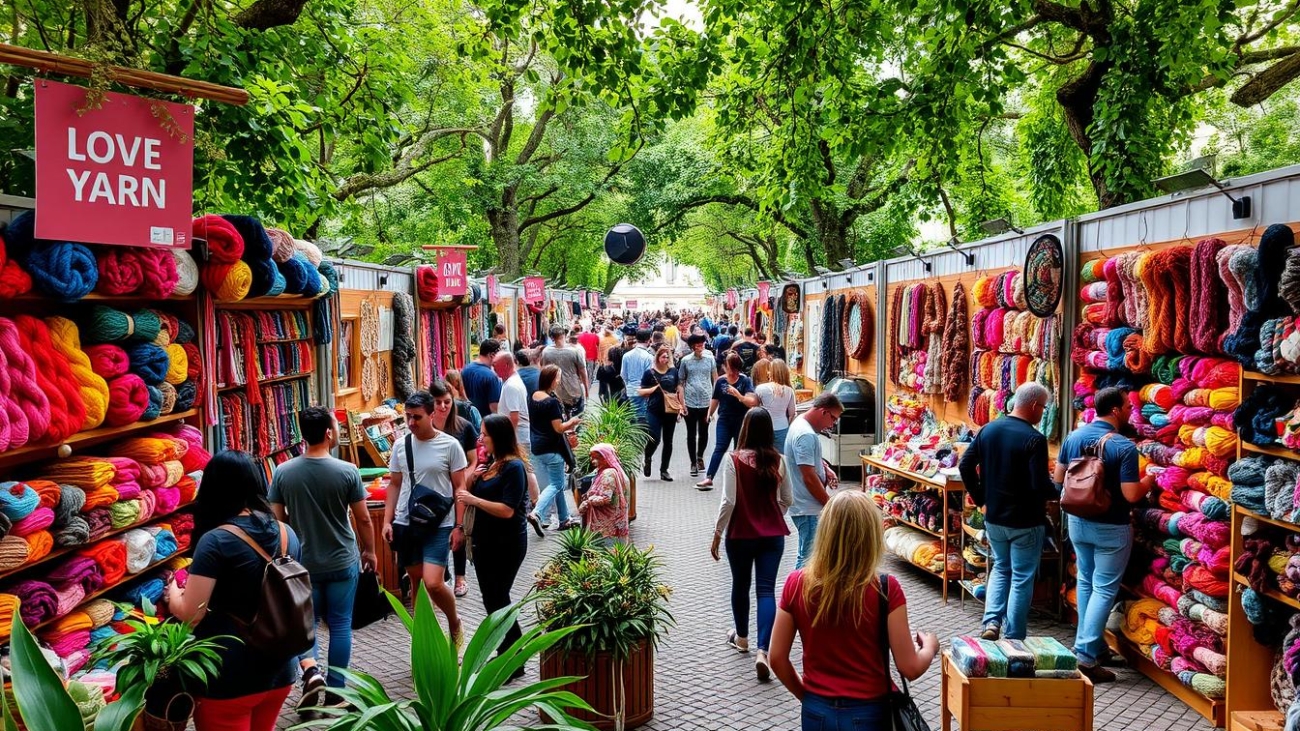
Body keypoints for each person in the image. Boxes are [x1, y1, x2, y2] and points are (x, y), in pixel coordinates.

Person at [769, 490, 939, 730]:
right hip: (870, 713)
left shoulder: (796, 584)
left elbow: (776, 658)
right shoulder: (886, 589)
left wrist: (807, 697)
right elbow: (910, 668)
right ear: (870, 535)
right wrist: (930, 647)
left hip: (817, 712)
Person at [166, 450, 302, 731]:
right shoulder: (287, 533)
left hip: (229, 675)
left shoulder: (215, 540)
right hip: (280, 669)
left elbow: (192, 614)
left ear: (212, 487)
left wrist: (173, 596)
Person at [268, 407, 376, 710]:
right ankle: (338, 691)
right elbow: (364, 519)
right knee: (341, 624)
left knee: (307, 624)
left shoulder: (284, 472)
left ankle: (312, 673)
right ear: (329, 433)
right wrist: (370, 551)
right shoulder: (347, 471)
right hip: (342, 559)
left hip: (302, 564)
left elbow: (278, 521)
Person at [1054, 386, 1147, 683]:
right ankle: (1085, 655)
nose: (1131, 409)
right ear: (1116, 410)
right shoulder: (1124, 447)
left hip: (1078, 522)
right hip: (1111, 526)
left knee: (1086, 581)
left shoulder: (1074, 436)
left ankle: (1091, 645)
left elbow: (1058, 478)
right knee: (1105, 588)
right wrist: (1150, 480)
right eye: (1128, 405)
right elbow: (1131, 494)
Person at [957, 382, 1054, 642]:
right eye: (1043, 407)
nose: (1043, 413)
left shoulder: (989, 429)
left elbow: (965, 465)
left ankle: (991, 623)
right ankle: (1014, 635)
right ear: (1034, 405)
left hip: (995, 518)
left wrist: (981, 500)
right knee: (1022, 577)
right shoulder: (1035, 439)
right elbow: (1039, 485)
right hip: (1025, 520)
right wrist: (1060, 488)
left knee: (1001, 568)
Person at [712, 408, 792, 682]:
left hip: (741, 535)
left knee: (741, 585)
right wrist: (771, 516)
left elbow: (729, 501)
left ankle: (742, 637)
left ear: (745, 428)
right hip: (772, 537)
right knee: (767, 590)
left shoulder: (733, 460)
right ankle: (763, 651)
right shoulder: (779, 461)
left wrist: (717, 533)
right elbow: (787, 499)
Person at [382, 391, 468, 646]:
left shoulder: (450, 445)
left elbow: (459, 488)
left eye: (417, 417)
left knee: (433, 582)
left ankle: (454, 622)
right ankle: (424, 642)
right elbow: (395, 485)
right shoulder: (401, 445)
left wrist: (459, 526)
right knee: (418, 582)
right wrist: (388, 520)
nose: (411, 423)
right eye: (408, 417)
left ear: (433, 415)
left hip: (438, 523)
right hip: (406, 522)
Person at [457, 415, 529, 671]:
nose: (480, 439)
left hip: (507, 544)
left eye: (484, 434)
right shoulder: (491, 464)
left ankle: (513, 658)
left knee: (498, 597)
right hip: (484, 543)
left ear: (497, 436)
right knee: (491, 598)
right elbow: (465, 493)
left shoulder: (514, 468)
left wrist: (474, 500)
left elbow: (508, 510)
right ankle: (508, 653)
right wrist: (473, 480)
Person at [426, 381, 480, 599]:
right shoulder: (425, 427)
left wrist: (463, 480)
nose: (442, 407)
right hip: (433, 491)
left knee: (458, 529)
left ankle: (460, 577)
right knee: (436, 531)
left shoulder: (463, 427)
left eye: (446, 402)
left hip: (457, 491)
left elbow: (474, 460)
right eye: (437, 402)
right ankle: (443, 574)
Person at [786, 393, 843, 568]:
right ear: (823, 412)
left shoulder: (801, 422)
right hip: (808, 507)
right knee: (808, 560)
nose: (832, 424)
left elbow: (807, 460)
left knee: (807, 555)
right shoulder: (806, 435)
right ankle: (798, 593)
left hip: (803, 505)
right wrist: (828, 503)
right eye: (833, 418)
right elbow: (809, 477)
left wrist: (825, 468)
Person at [527, 365, 583, 531]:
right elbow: (558, 428)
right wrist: (572, 422)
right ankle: (537, 513)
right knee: (557, 485)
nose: (559, 381)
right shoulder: (551, 403)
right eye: (558, 377)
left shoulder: (534, 397)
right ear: (551, 380)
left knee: (555, 483)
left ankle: (564, 519)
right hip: (552, 448)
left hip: (537, 448)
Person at [697, 352, 759, 490]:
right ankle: (709, 477)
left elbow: (752, 402)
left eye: (733, 368)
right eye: (728, 367)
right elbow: (715, 399)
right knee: (720, 447)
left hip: (741, 420)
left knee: (739, 449)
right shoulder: (720, 381)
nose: (730, 371)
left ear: (737, 368)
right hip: (724, 419)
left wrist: (738, 395)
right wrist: (709, 413)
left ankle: (739, 478)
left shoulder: (745, 381)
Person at [639, 344, 685, 481]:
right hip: (654, 410)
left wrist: (682, 407)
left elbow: (679, 389)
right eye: (663, 356)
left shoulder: (673, 372)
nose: (666, 359)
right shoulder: (650, 373)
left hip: (670, 410)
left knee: (668, 441)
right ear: (657, 358)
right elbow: (641, 391)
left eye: (668, 356)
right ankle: (648, 456)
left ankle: (664, 470)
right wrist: (654, 389)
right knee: (655, 437)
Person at [679, 333, 718, 478]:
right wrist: (682, 404)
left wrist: (714, 401)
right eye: (697, 344)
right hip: (690, 401)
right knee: (690, 434)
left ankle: (700, 456)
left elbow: (715, 380)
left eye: (702, 344)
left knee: (703, 432)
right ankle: (693, 462)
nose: (700, 347)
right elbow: (681, 382)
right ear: (692, 346)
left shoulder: (710, 359)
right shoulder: (685, 361)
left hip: (706, 401)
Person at [580, 442, 631, 544]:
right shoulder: (605, 471)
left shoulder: (608, 473)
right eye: (592, 457)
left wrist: (588, 502)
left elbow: (605, 498)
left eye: (597, 458)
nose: (593, 461)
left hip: (607, 521)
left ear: (606, 457)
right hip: (612, 519)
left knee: (606, 547)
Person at [542, 325, 589, 419]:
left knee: (560, 420)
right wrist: (586, 390)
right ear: (564, 335)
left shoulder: (546, 352)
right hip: (574, 390)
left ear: (552, 338)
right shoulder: (575, 351)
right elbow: (583, 372)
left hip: (556, 392)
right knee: (577, 420)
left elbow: (544, 372)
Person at [756, 359, 797, 451]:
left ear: (771, 372)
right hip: (782, 427)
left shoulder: (760, 389)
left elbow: (756, 409)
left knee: (764, 458)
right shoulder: (789, 390)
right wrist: (787, 424)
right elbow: (792, 413)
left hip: (764, 428)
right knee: (781, 459)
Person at [621, 329, 655, 421]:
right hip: (644, 391)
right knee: (642, 417)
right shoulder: (649, 357)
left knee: (633, 416)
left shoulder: (627, 355)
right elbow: (649, 377)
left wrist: (628, 385)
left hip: (631, 389)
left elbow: (623, 375)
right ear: (648, 340)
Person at [462, 340, 503, 416]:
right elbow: (494, 408)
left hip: (468, 419)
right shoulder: (492, 377)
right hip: (486, 422)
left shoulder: (465, 370)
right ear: (492, 355)